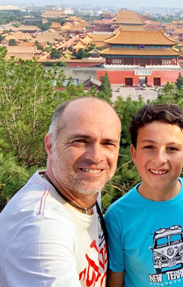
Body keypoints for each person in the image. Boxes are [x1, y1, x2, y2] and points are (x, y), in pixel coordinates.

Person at [0, 97, 122, 287]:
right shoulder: (41, 227)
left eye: (108, 143)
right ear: (50, 145)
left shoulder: (83, 190)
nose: (96, 156)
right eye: (80, 141)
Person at [105, 103, 183, 287]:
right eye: (149, 147)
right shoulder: (118, 215)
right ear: (133, 153)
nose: (159, 159)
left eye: (172, 149)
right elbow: (116, 278)